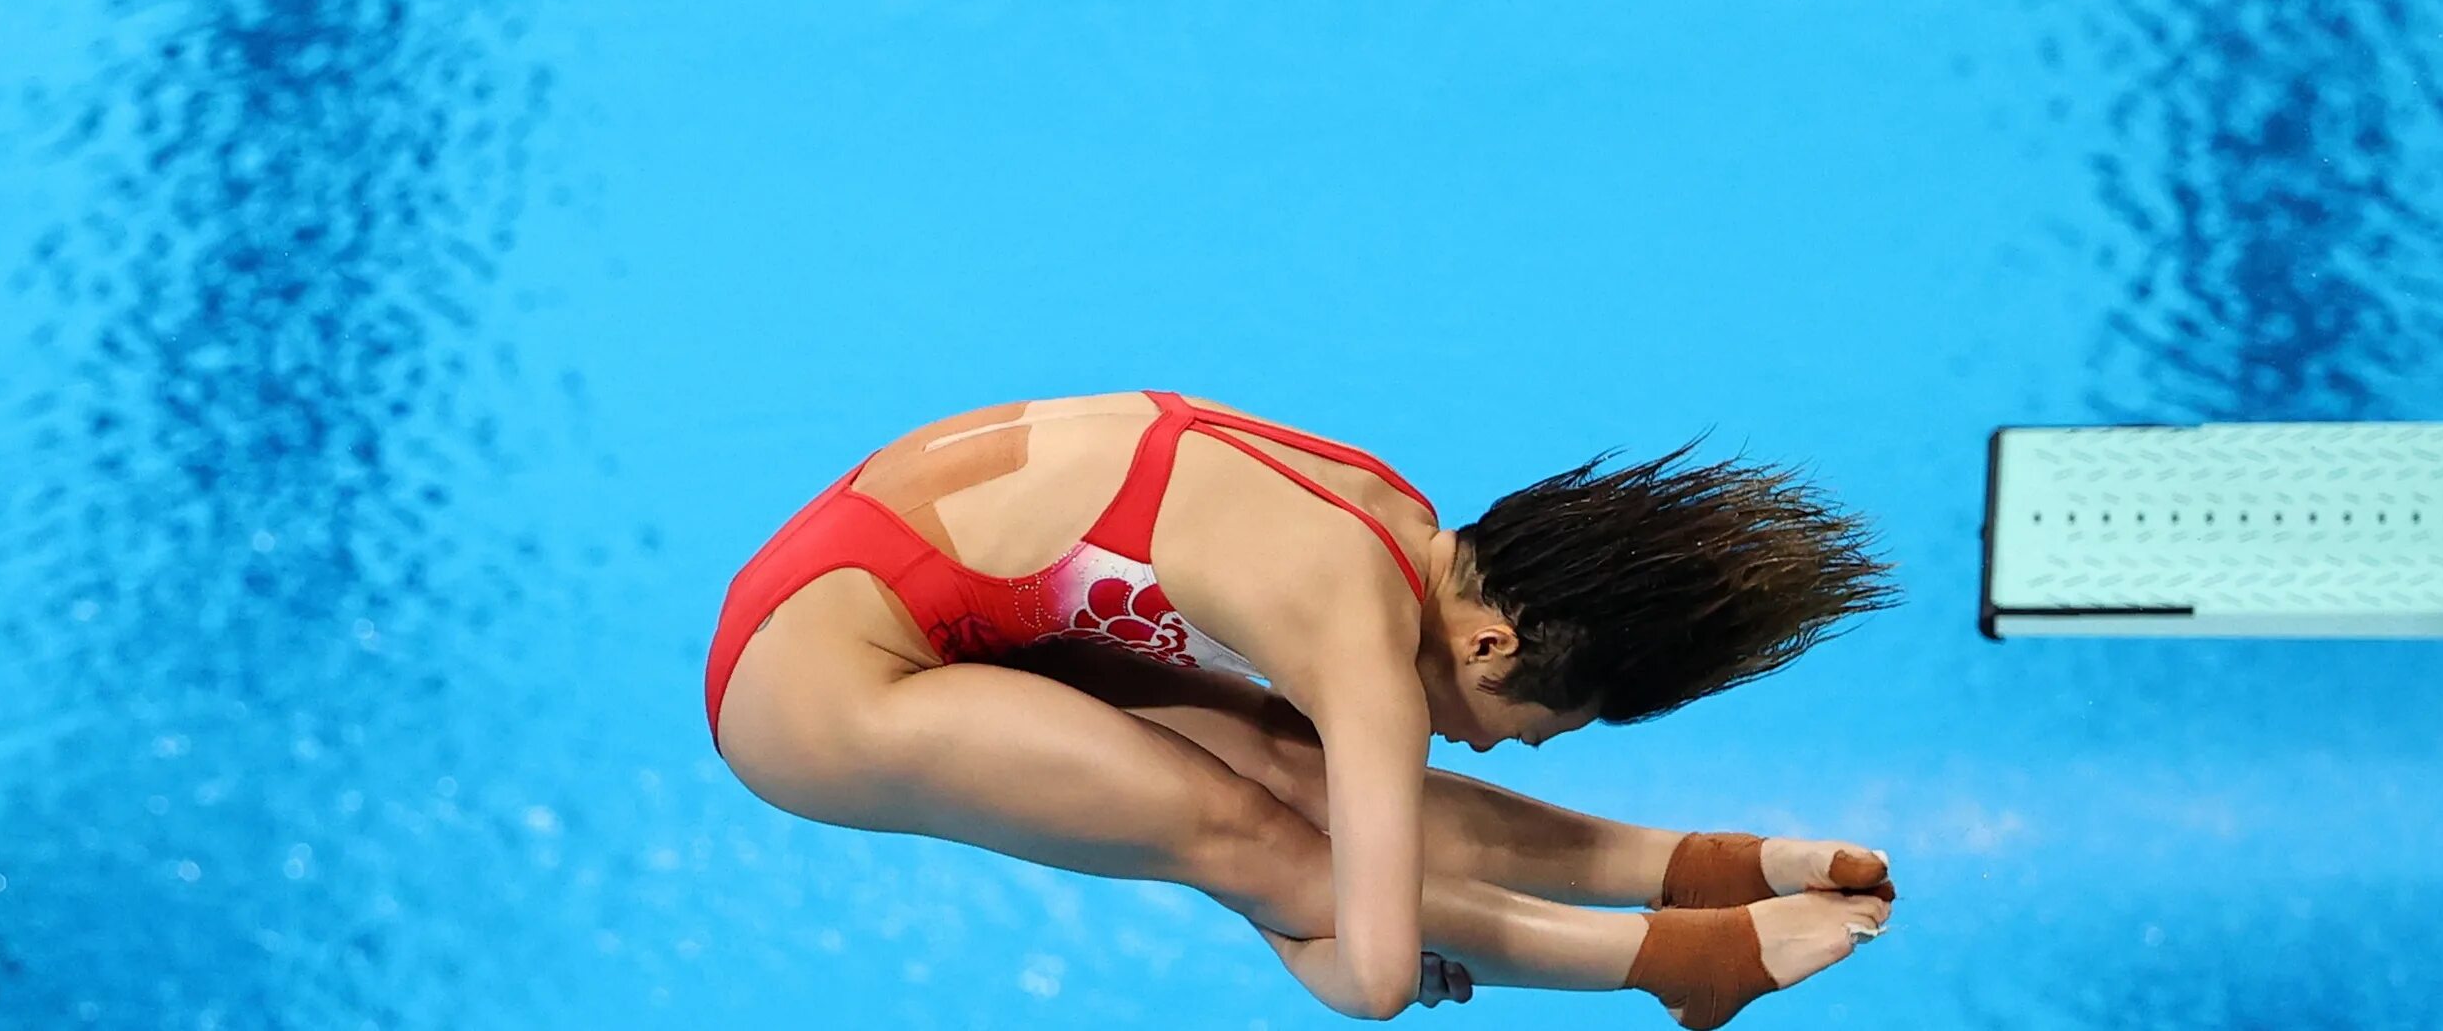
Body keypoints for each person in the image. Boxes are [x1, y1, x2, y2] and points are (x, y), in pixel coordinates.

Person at [706, 391, 1902, 1024]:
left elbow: (1359, 845)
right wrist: (1310, 942)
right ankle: (1685, 962)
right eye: (1539, 726)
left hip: (890, 593)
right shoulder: (1359, 630)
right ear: (1494, 641)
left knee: (1297, 783)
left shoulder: (1389, 513)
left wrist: (1322, 928)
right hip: (812, 692)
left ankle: (1697, 868)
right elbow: (1378, 981)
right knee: (1255, 837)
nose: (1503, 745)